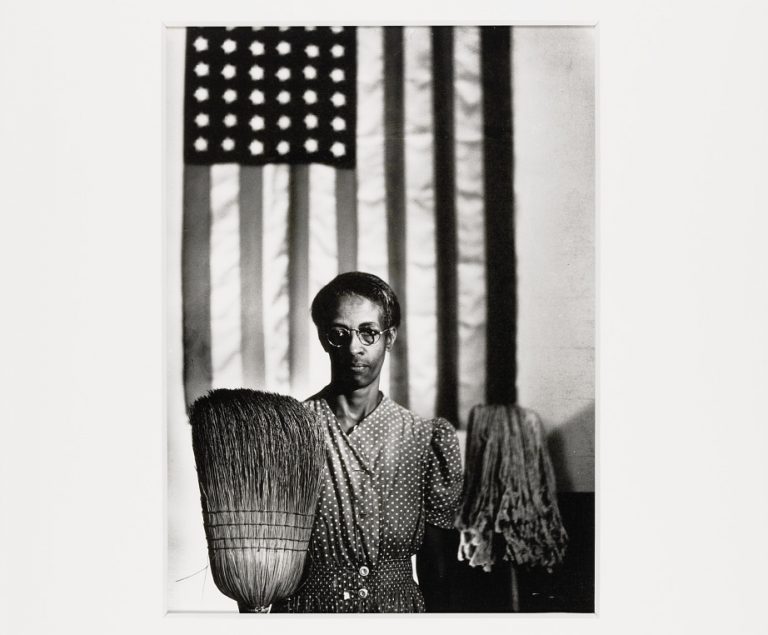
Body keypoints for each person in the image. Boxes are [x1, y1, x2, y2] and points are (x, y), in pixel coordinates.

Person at [273, 271, 463, 613]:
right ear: (322, 337)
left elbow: (439, 569)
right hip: (311, 614)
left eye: (368, 333)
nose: (353, 347)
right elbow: (264, 556)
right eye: (339, 334)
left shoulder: (424, 439)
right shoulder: (289, 432)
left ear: (389, 338)